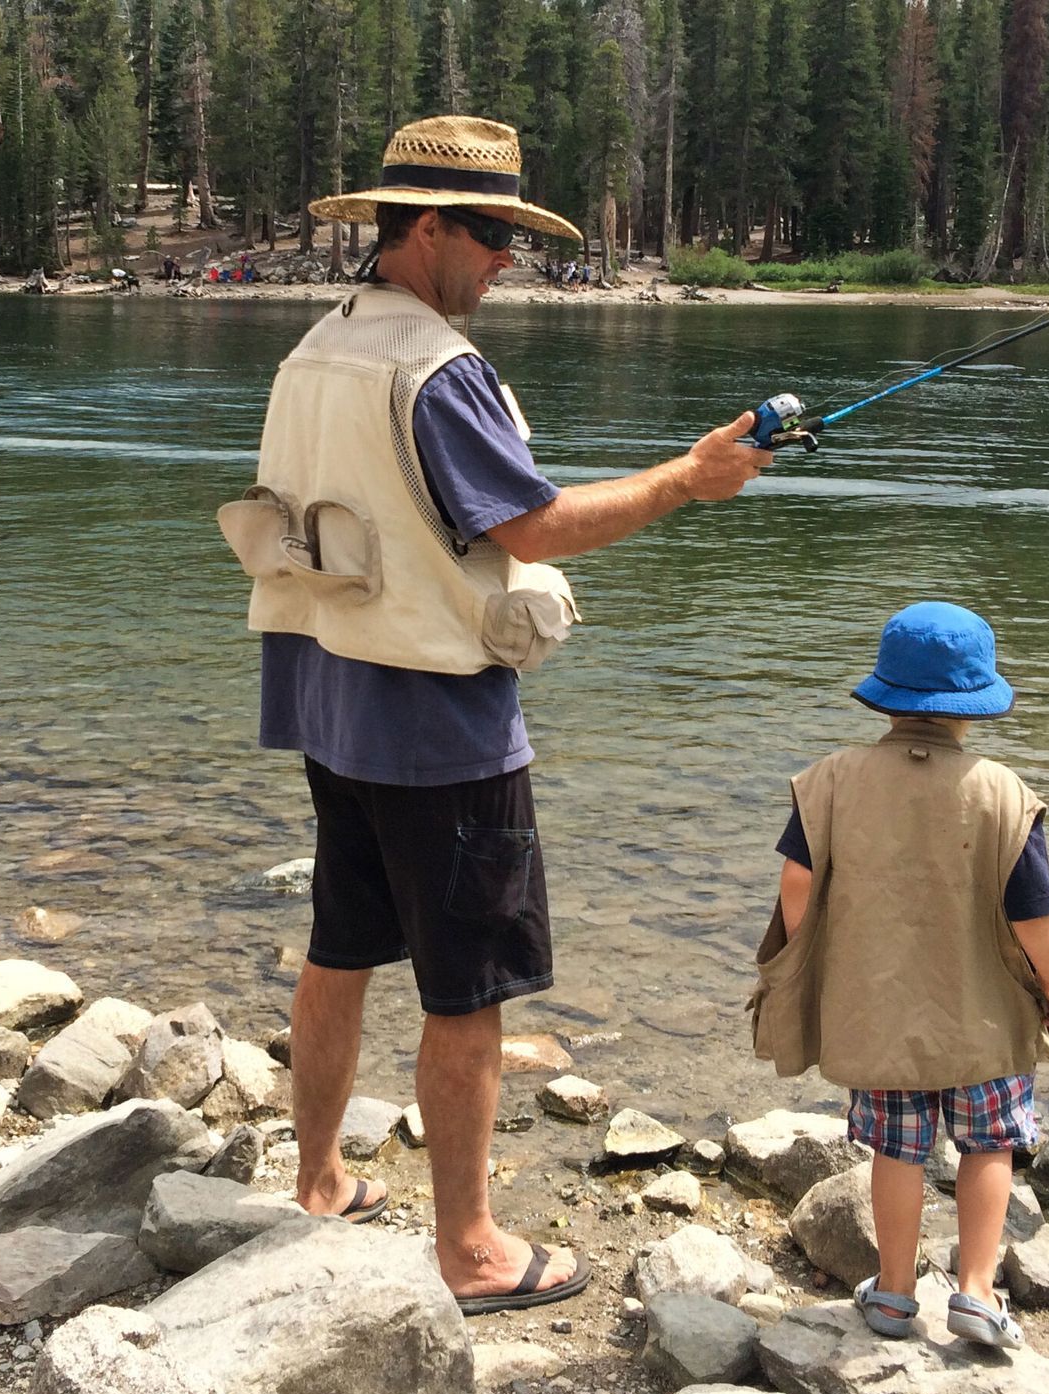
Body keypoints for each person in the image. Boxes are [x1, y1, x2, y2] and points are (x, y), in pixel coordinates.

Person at [217, 114, 771, 1316]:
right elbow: (535, 528)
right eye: (492, 236)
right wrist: (692, 479)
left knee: (342, 942)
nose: (509, 260)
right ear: (426, 229)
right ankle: (468, 1248)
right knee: (468, 989)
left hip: (325, 694)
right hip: (435, 721)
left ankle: (318, 1178)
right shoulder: (438, 367)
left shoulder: (319, 343)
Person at [749, 601, 1049, 1348]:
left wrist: (811, 956)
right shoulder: (1003, 793)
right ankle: (977, 1292)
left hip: (879, 1005)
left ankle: (893, 1293)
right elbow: (1032, 915)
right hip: (984, 1014)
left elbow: (797, 885)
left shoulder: (830, 780)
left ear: (887, 694)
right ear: (974, 704)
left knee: (897, 1149)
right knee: (989, 1145)